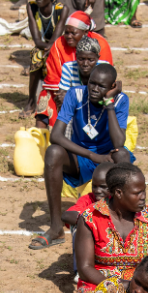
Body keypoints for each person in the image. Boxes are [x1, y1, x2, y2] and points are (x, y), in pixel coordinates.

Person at [32, 65, 132, 250]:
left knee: (123, 156)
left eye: (101, 86)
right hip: (80, 155)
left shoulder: (120, 100)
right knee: (53, 152)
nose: (94, 89)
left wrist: (108, 103)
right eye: (91, 83)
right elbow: (56, 136)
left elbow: (119, 142)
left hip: (107, 158)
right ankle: (56, 229)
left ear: (111, 87)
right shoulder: (76, 94)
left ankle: (125, 227)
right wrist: (92, 155)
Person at [72, 163, 148, 293]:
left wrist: (140, 288)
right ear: (119, 193)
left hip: (141, 286)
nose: (143, 197)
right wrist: (121, 286)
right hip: (99, 284)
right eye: (137, 193)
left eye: (144, 191)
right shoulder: (90, 218)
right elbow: (85, 268)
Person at [40, 11, 112, 125]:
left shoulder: (101, 44)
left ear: (85, 32)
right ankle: (42, 136)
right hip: (67, 91)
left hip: (95, 93)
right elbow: (55, 79)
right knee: (45, 96)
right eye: (66, 33)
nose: (69, 36)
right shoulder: (59, 45)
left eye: (73, 33)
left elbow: (105, 79)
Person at [23, 0, 66, 118]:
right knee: (36, 55)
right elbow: (36, 39)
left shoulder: (62, 10)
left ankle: (58, 101)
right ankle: (31, 101)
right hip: (42, 45)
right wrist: (46, 49)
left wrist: (50, 49)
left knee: (53, 58)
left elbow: (57, 37)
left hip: (60, 45)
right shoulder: (32, 7)